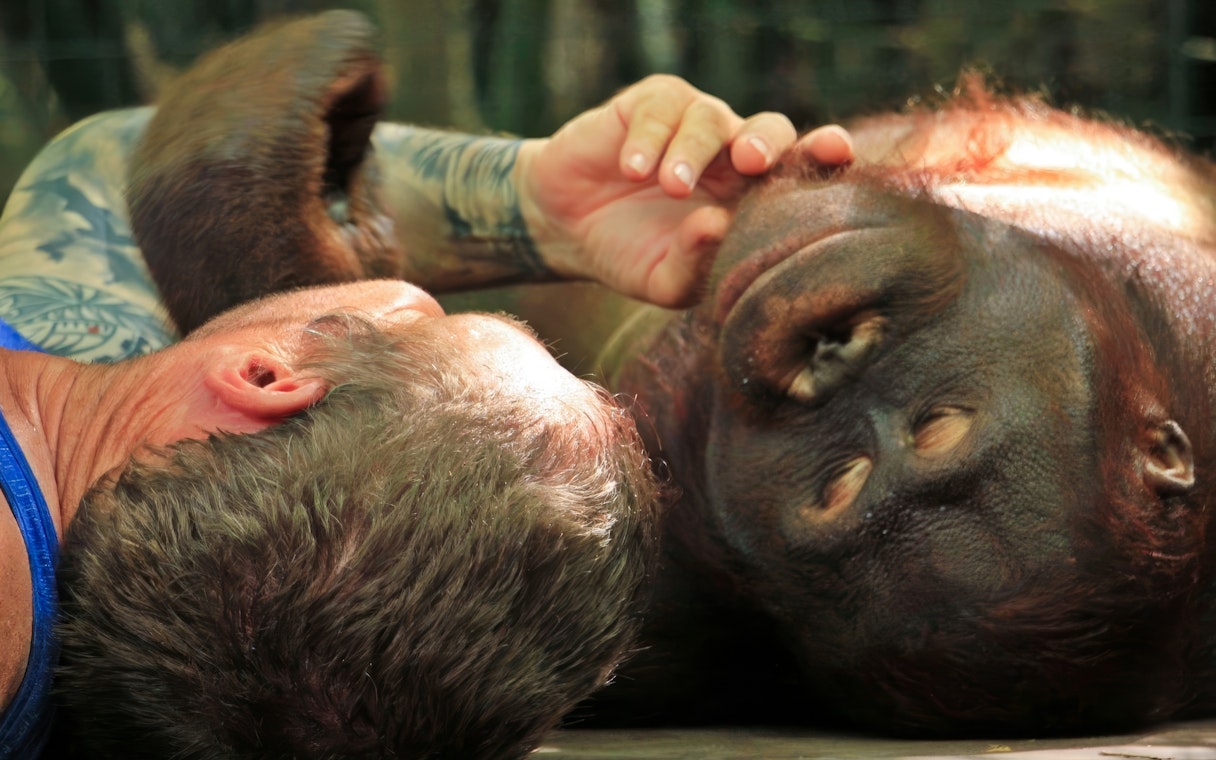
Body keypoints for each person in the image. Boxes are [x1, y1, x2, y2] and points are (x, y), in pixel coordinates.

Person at [0, 23, 857, 758]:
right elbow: (121, 176)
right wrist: (541, 205)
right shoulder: (84, 437)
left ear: (266, 378)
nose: (419, 290)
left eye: (440, 323)